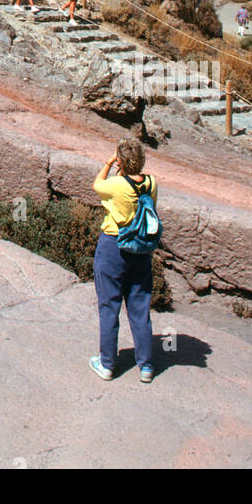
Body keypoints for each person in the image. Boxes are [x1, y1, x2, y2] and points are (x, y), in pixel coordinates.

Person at [89, 139, 157, 384]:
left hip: (113, 247)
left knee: (109, 306)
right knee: (139, 307)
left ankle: (107, 364)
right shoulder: (151, 183)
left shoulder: (116, 185)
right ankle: (146, 366)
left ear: (120, 161)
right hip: (140, 249)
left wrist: (108, 163)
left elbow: (97, 185)